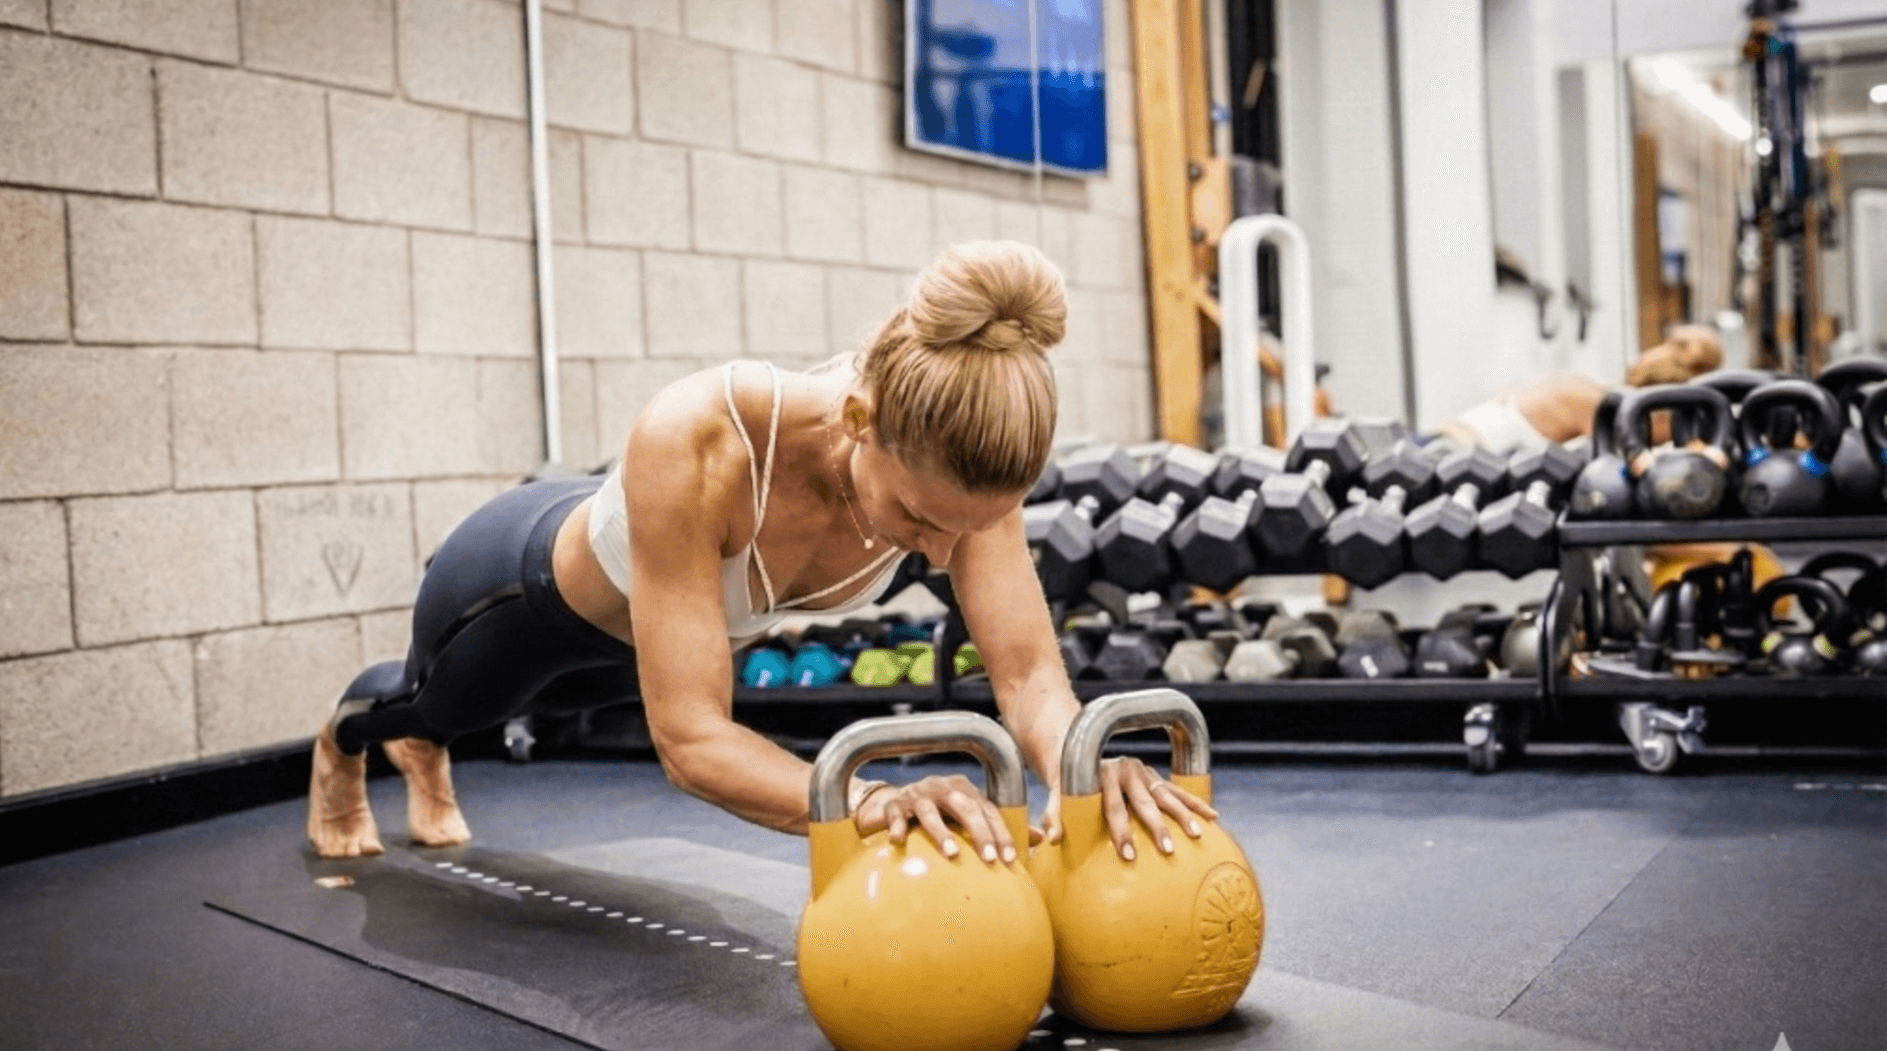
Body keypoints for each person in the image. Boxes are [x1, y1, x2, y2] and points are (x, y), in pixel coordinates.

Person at [309, 240, 1216, 866]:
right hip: (521, 599)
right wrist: (866, 801)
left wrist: (1081, 767)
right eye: (917, 518)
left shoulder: (963, 481)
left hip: (640, 649)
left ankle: (426, 749)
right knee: (441, 704)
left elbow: (1024, 676)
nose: (944, 555)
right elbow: (692, 739)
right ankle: (348, 749)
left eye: (964, 529)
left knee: (547, 705)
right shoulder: (701, 440)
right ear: (860, 422)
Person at [1437, 324, 1724, 454]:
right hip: (1449, 460)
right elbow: (1642, 459)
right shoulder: (1600, 406)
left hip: (1439, 444)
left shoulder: (1583, 386)